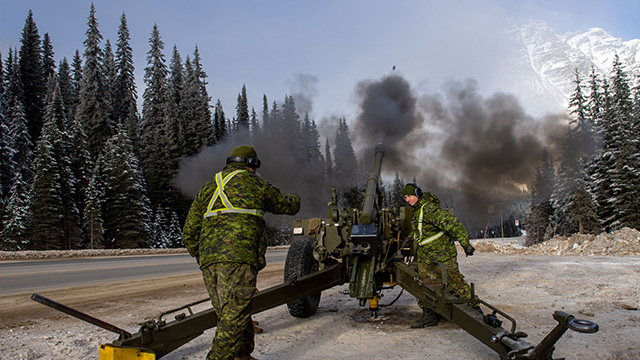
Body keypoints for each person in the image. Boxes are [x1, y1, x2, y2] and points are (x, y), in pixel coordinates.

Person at [183, 145, 301, 360]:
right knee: (234, 316)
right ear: (252, 165)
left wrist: (200, 254)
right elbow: (288, 205)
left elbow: (190, 229)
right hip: (238, 257)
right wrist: (297, 196)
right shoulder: (254, 182)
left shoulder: (210, 185)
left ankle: (242, 355)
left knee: (231, 311)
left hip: (209, 261)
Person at [402, 183, 476, 328]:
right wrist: (409, 238)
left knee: (455, 283)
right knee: (424, 285)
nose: (407, 200)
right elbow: (422, 229)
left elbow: (453, 224)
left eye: (410, 196)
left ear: (417, 194)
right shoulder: (417, 211)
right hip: (426, 256)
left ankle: (476, 312)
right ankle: (429, 316)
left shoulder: (429, 209)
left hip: (442, 254)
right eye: (405, 197)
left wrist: (465, 244)